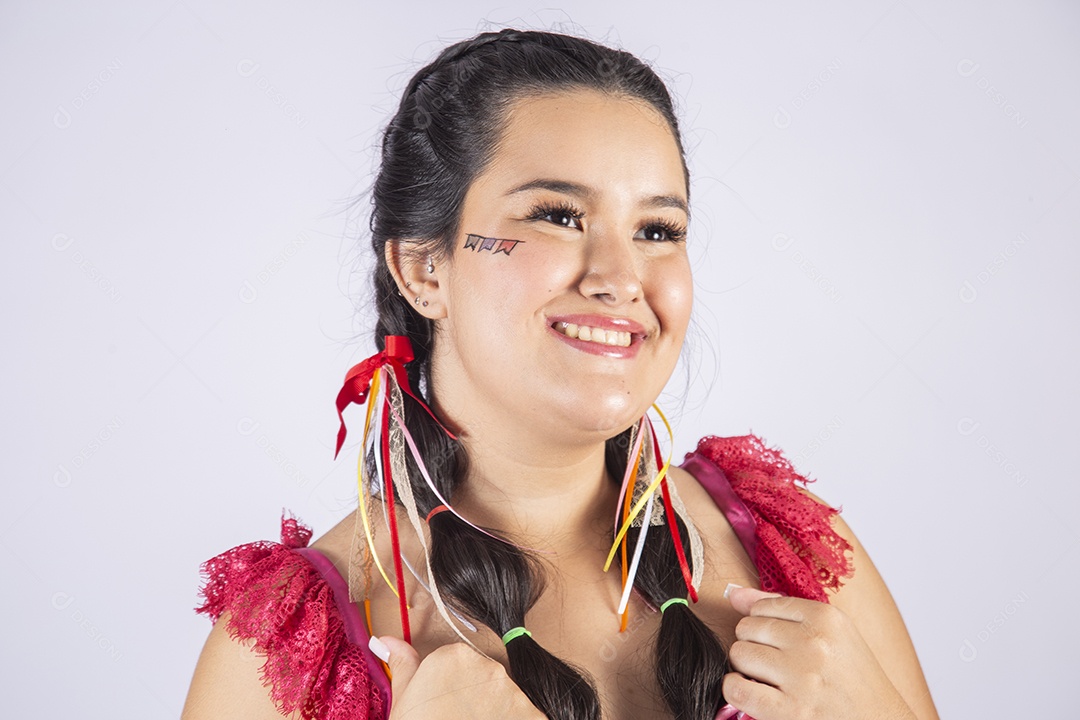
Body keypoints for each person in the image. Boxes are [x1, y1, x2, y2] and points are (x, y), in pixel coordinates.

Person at [181, 28, 939, 720]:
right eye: (556, 215)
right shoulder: (283, 654)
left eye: (657, 230)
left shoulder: (790, 549)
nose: (620, 276)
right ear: (423, 270)